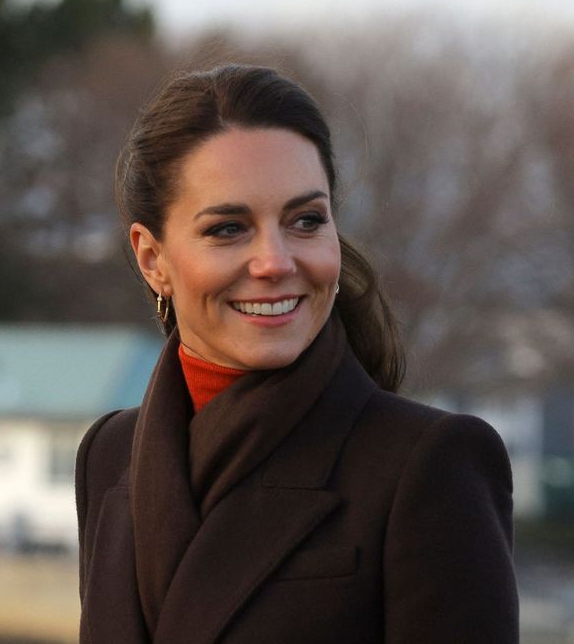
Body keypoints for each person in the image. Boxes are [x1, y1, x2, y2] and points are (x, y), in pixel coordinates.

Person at [75, 65, 518, 643]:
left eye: (306, 221)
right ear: (152, 258)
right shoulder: (108, 455)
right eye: (229, 229)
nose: (276, 261)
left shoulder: (430, 464)